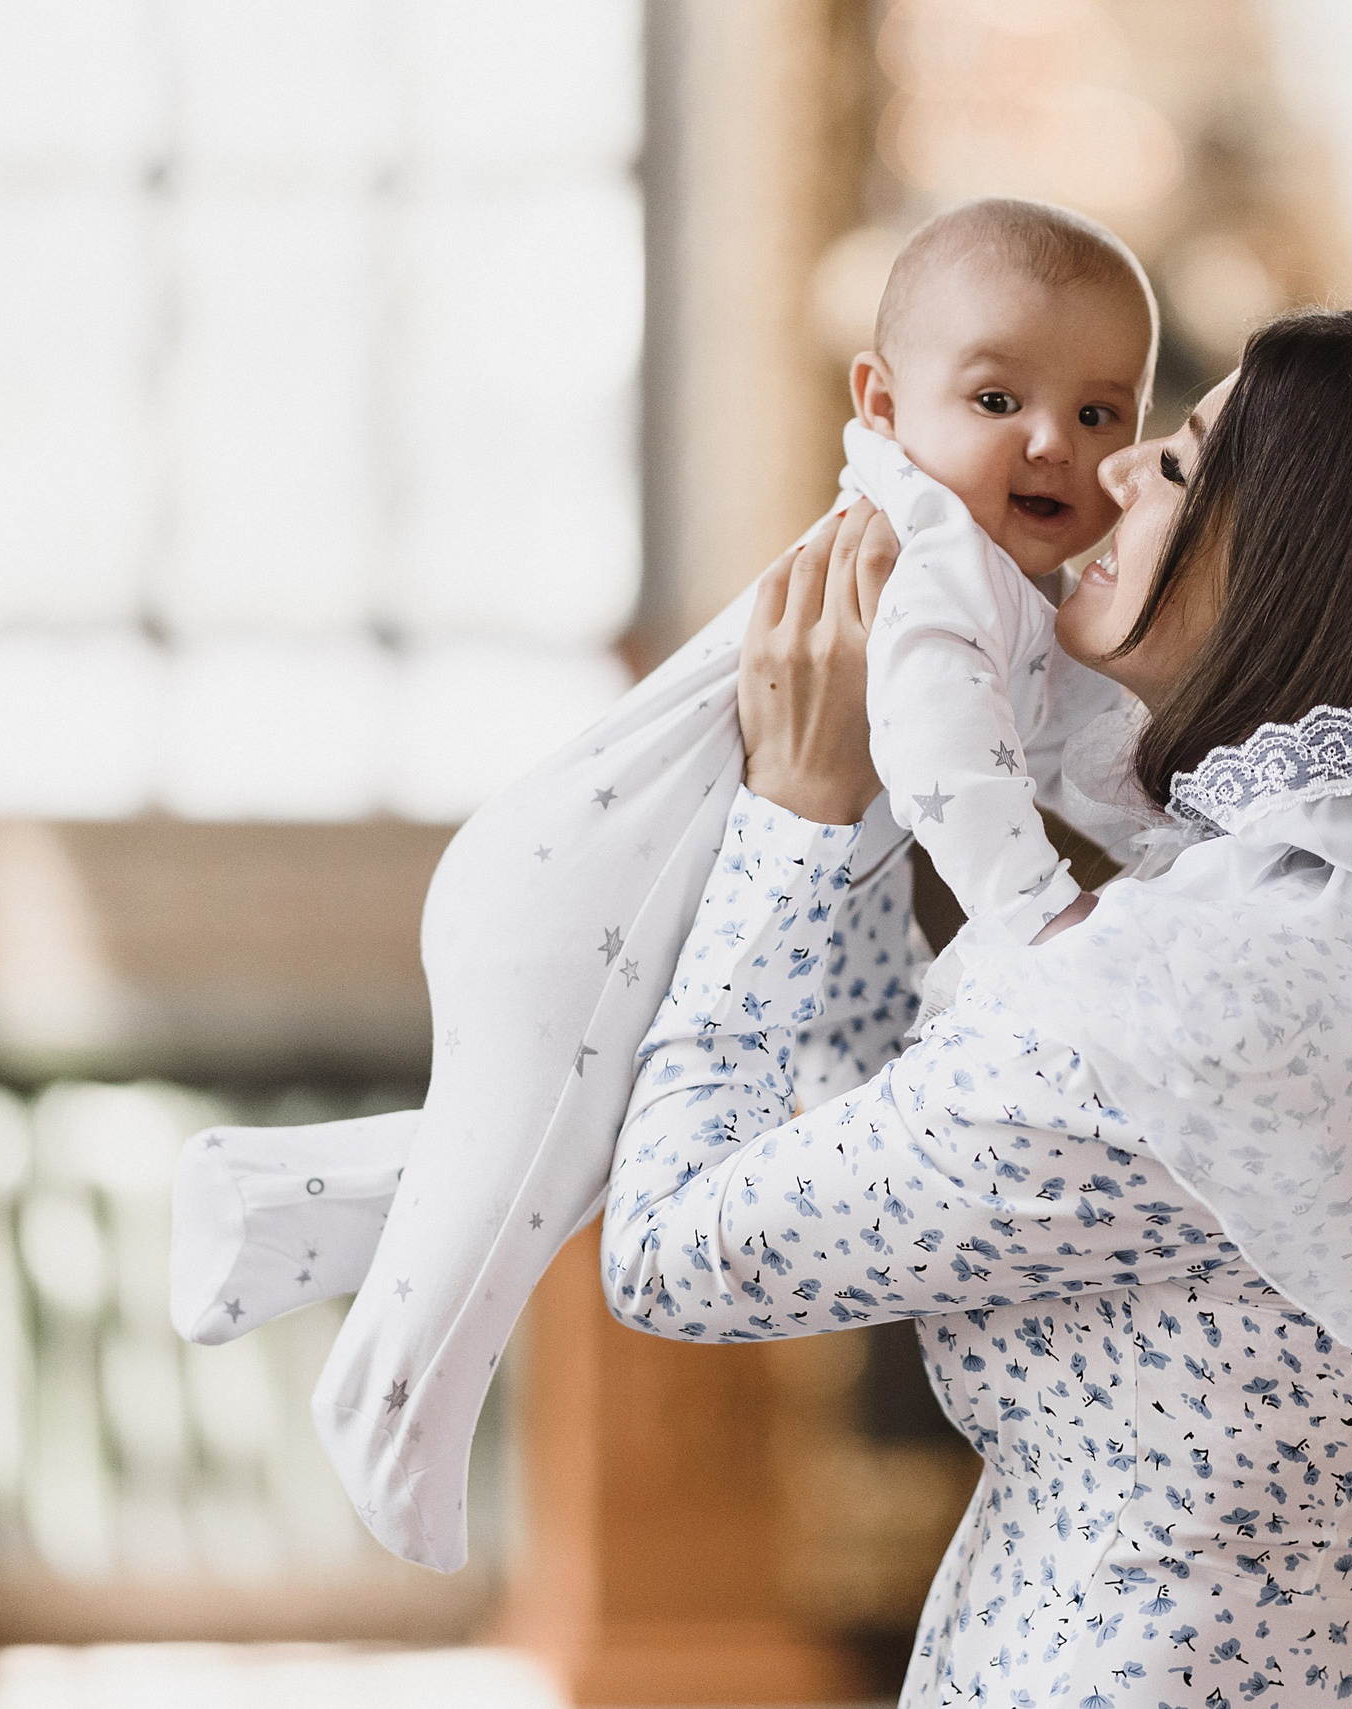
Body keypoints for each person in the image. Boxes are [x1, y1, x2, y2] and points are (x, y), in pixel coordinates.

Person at [602, 309, 1352, 1706]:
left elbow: (671, 1251)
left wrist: (796, 818)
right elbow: (886, 1114)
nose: (1121, 471)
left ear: (1311, 579)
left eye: (1186, 465)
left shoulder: (1200, 994)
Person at [169, 198, 1160, 1572]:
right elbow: (950, 758)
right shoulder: (929, 559)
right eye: (1001, 396)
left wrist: (1170, 819)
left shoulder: (1004, 584)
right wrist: (1037, 909)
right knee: (514, 1190)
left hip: (634, 895)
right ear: (882, 399)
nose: (1056, 442)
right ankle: (384, 1406)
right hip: (582, 893)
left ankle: (264, 1208)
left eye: (1104, 414)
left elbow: (1079, 745)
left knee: (566, 1156)